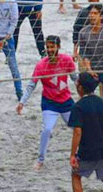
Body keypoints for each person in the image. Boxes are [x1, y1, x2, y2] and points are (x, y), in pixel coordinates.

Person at [17, 35, 79, 169]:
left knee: (78, 129)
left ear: (58, 47)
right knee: (47, 129)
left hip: (66, 101)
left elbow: (76, 79)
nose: (50, 49)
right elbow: (31, 85)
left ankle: (79, 155)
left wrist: (85, 95)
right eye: (48, 47)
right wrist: (22, 102)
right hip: (49, 103)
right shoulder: (40, 65)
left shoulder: (67, 60)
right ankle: (40, 160)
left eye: (52, 47)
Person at [76, 4, 103, 133]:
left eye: (95, 13)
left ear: (101, 16)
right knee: (85, 98)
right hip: (92, 70)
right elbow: (84, 53)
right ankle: (84, 125)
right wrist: (89, 70)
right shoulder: (83, 33)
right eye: (90, 13)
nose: (91, 15)